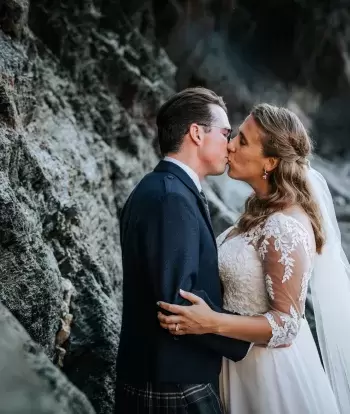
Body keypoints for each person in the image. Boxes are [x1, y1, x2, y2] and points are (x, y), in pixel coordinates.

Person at [158, 103, 350, 413]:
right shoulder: (261, 213)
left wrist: (210, 323)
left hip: (271, 376)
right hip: (237, 365)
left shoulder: (284, 226)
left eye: (243, 141)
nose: (230, 145)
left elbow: (287, 325)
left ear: (270, 162)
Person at [115, 87, 251, 413]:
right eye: (224, 133)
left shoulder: (167, 189)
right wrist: (248, 336)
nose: (230, 145)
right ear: (196, 134)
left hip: (167, 374)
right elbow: (177, 305)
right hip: (173, 383)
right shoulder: (170, 198)